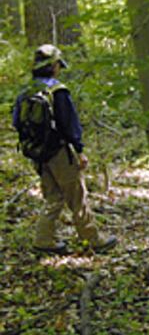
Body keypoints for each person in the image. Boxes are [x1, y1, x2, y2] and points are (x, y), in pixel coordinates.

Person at [12, 44, 117, 255]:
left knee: (53, 198)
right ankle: (94, 239)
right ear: (53, 66)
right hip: (61, 152)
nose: (59, 69)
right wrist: (79, 150)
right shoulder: (58, 91)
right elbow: (70, 125)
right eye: (58, 65)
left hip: (38, 153)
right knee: (77, 197)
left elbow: (16, 122)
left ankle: (43, 239)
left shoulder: (25, 92)